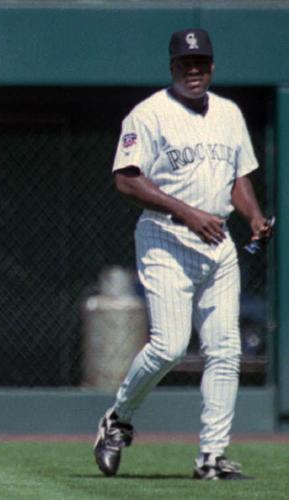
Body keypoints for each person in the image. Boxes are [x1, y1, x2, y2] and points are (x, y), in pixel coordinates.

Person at [93, 28, 274, 480]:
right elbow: (126, 179)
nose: (194, 71)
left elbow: (239, 179)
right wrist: (187, 212)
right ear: (172, 67)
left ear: (211, 66)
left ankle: (212, 455)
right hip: (166, 237)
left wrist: (252, 216)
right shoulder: (149, 114)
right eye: (185, 64)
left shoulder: (229, 114)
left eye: (201, 63)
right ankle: (117, 420)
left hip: (217, 239)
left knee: (225, 349)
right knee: (169, 347)